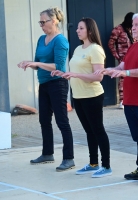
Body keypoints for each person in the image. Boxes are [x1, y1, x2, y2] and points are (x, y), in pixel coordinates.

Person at [94, 10, 138, 185]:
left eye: (137, 25)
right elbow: (125, 64)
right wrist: (113, 70)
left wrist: (124, 72)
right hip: (131, 100)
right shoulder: (134, 45)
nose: (133, 28)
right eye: (132, 25)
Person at [51, 18, 112, 178]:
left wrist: (76, 74)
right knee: (89, 131)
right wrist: (63, 74)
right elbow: (76, 71)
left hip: (92, 96)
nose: (77, 31)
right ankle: (93, 164)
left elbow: (98, 77)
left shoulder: (96, 49)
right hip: (78, 96)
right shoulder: (78, 49)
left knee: (98, 130)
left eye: (81, 28)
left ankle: (106, 166)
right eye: (77, 28)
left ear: (90, 31)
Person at [17, 7, 75, 172]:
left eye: (44, 22)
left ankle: (69, 158)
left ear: (54, 21)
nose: (41, 25)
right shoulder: (41, 39)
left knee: (62, 121)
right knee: (44, 120)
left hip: (58, 84)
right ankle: (47, 153)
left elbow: (58, 66)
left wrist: (37, 64)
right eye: (40, 22)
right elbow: (38, 63)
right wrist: (29, 63)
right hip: (44, 84)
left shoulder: (61, 40)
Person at [108, 12, 134, 109]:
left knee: (134, 77)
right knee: (122, 79)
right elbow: (111, 43)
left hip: (134, 57)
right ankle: (122, 100)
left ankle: (132, 99)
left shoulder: (132, 30)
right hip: (123, 58)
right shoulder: (118, 29)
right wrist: (117, 56)